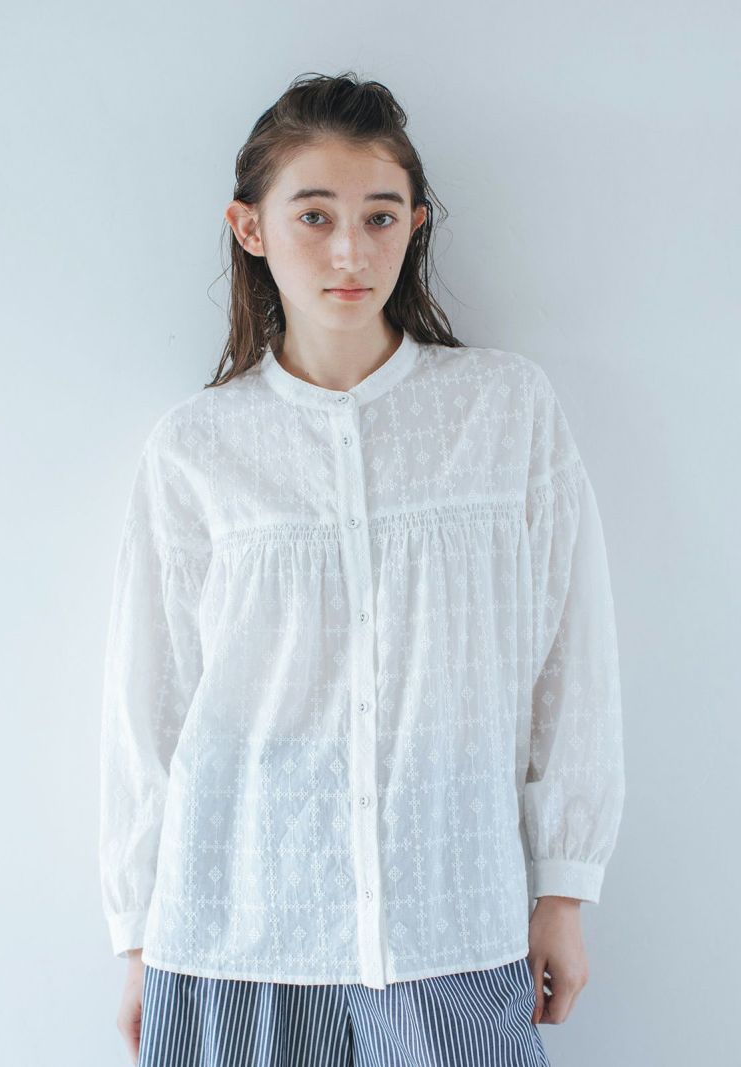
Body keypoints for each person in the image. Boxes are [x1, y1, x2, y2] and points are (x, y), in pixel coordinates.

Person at [99, 71, 625, 1067]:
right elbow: (149, 703)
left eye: (381, 217)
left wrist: (563, 887)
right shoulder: (196, 446)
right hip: (236, 931)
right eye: (314, 215)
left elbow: (571, 653)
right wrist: (137, 933)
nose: (350, 250)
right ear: (249, 228)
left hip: (451, 919)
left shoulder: (504, 410)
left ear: (414, 225)